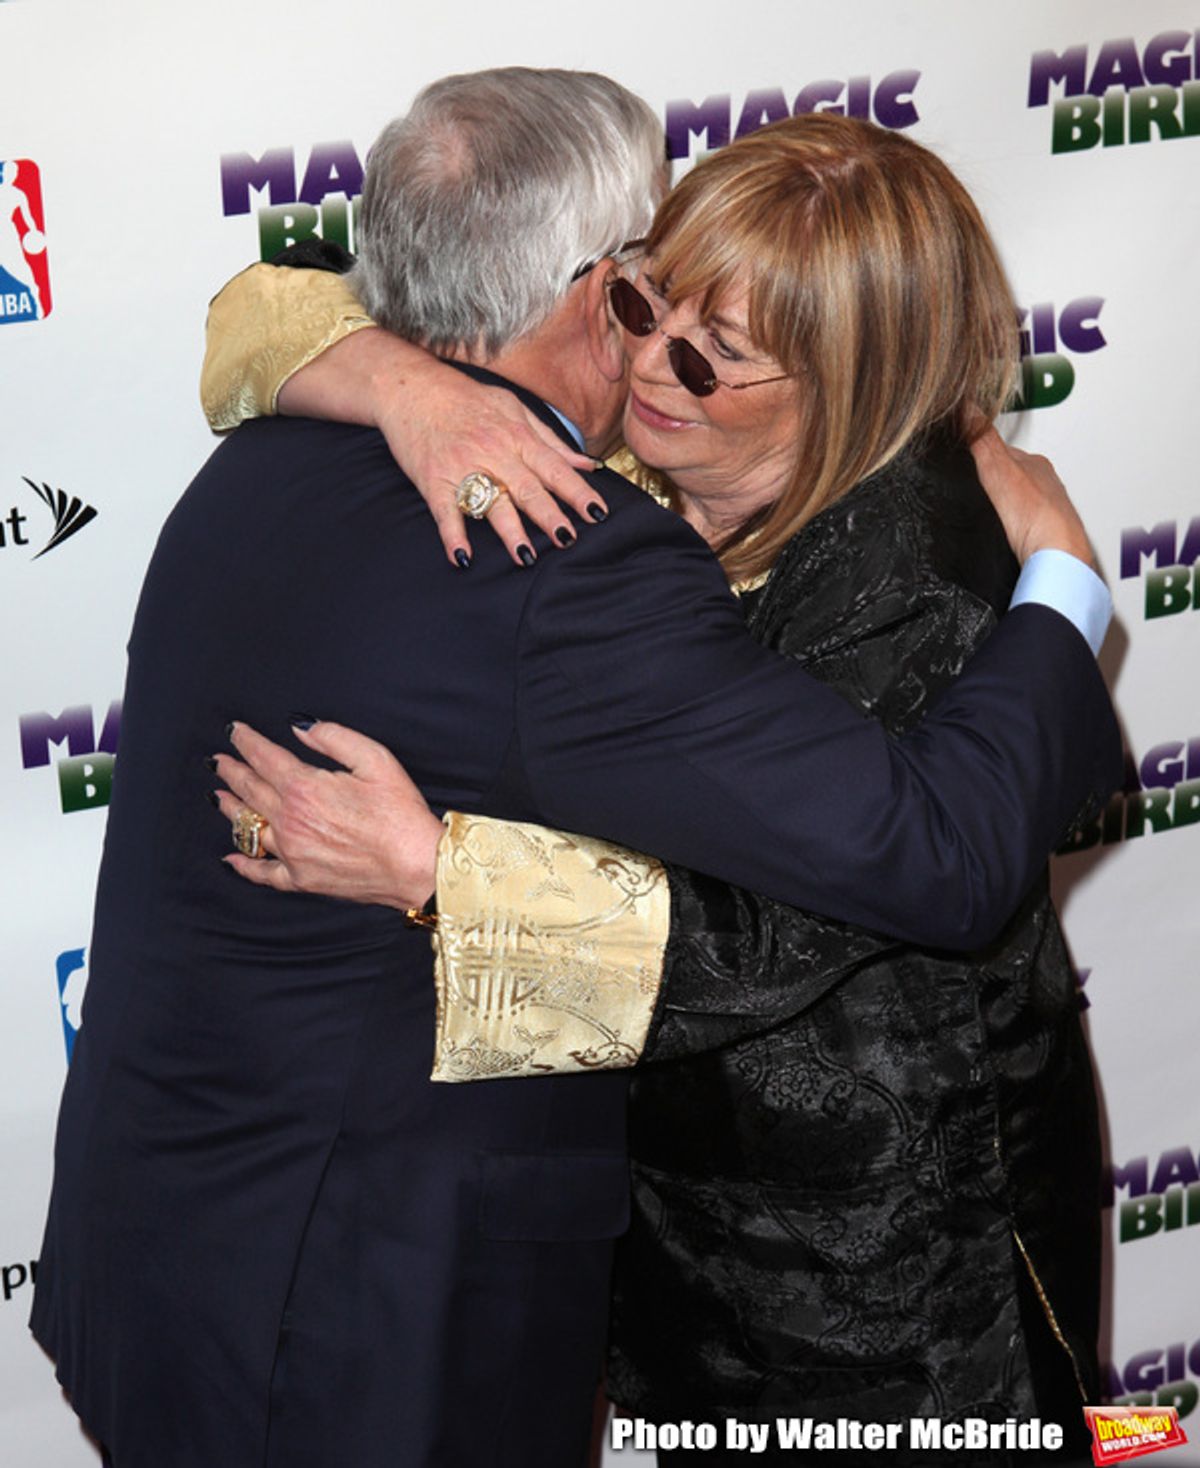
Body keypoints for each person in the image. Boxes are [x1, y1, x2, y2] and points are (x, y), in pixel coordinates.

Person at [203, 112, 1115, 1463]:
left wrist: (437, 883)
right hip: (689, 1222)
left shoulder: (916, 591)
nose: (641, 358)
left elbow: (784, 936)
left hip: (884, 1293)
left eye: (713, 352)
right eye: (639, 298)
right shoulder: (668, 452)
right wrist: (413, 386)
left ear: (853, 383)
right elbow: (254, 308)